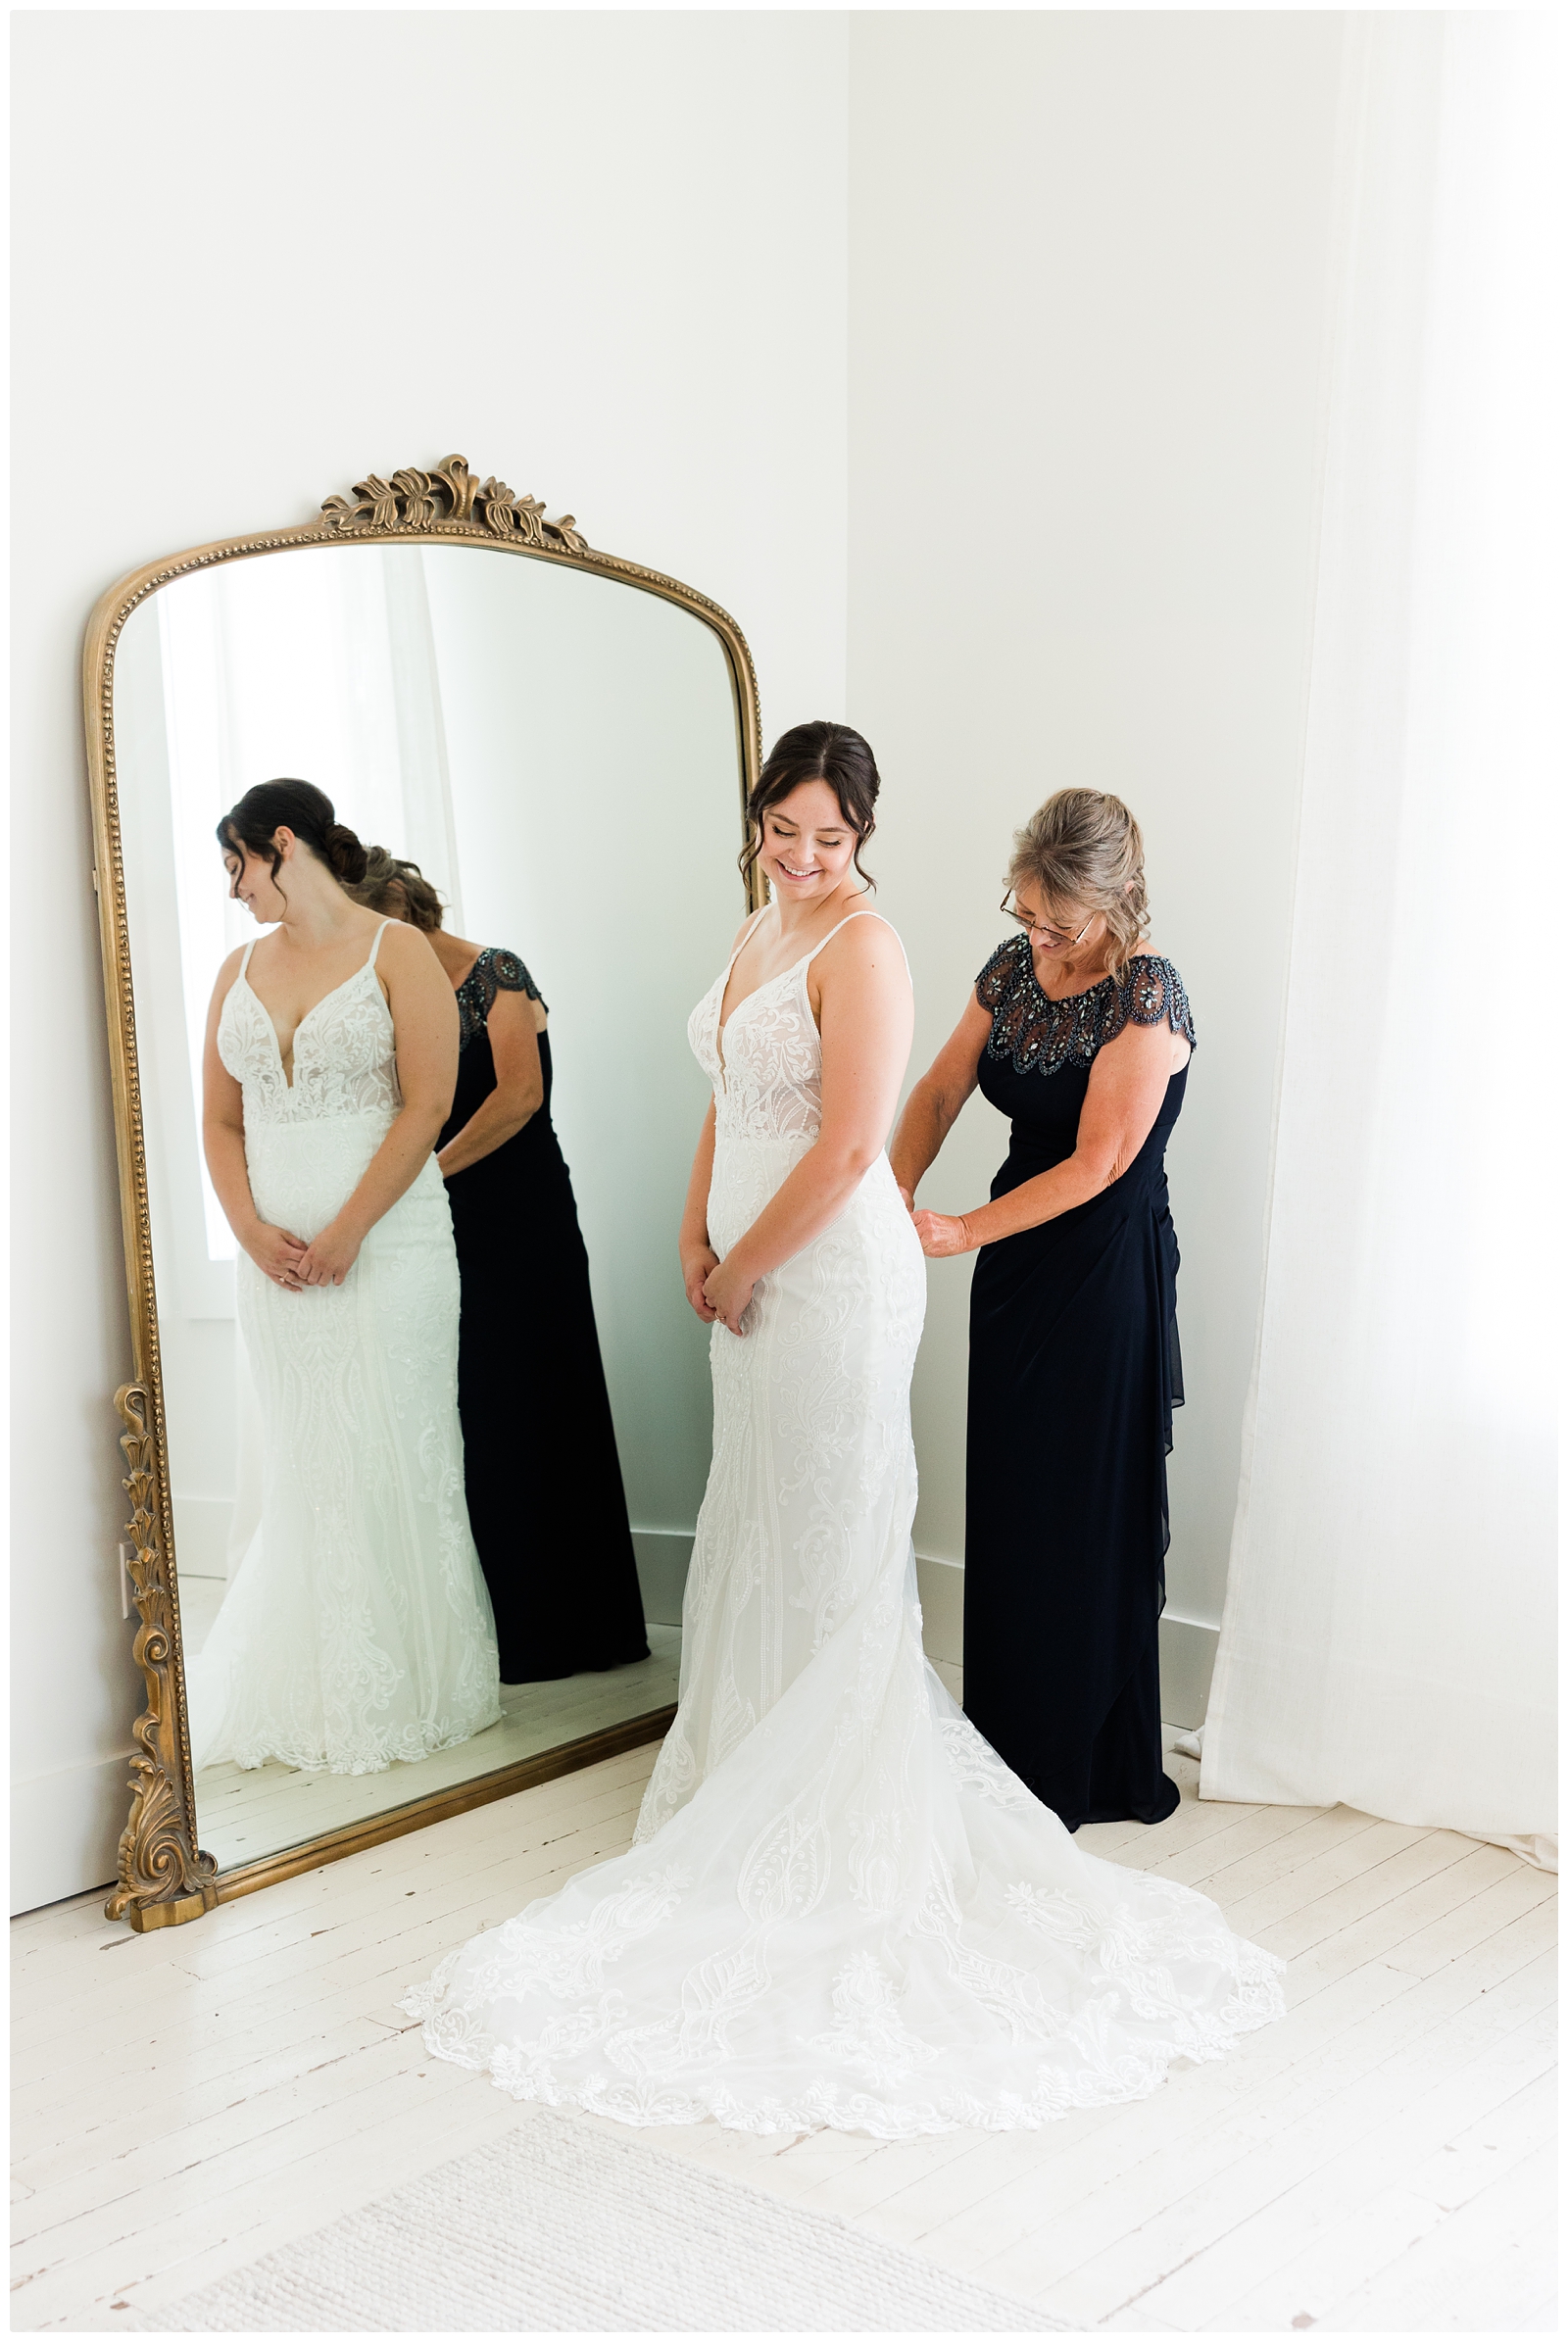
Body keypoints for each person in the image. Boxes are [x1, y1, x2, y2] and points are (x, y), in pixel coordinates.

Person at [404, 727, 1280, 2137]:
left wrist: (789, 1249)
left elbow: (891, 1142)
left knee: (847, 1528)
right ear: (759, 825)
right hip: (790, 1254)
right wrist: (698, 1226)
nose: (803, 856)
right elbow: (779, 1100)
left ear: (862, 834)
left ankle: (903, 1798)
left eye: (827, 836)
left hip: (914, 1269)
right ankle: (756, 1771)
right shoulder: (767, 928)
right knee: (766, 1516)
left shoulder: (893, 951)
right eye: (782, 830)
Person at [891, 789, 1193, 1830]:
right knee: (1014, 1498)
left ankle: (1083, 1762)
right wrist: (887, 1194)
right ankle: (1004, 1744)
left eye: (1059, 922)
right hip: (1015, 1274)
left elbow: (1104, 1160)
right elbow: (936, 1091)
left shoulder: (1146, 995)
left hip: (1101, 1275)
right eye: (1027, 912)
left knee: (1079, 1504)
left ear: (1113, 902)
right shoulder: (1008, 971)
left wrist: (962, 1228)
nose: (1039, 935)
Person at [186, 781, 501, 1776]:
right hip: (275, 1264)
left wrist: (350, 1229)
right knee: (307, 1458)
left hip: (391, 1246)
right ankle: (313, 1676)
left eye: (236, 862)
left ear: (282, 844)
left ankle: (419, 1678)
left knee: (391, 1452)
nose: (233, 888)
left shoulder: (393, 950)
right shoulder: (235, 969)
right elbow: (221, 1118)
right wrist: (249, 1229)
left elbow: (427, 1103)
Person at [349, 850, 649, 1683]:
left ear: (403, 909)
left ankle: (589, 1628)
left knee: (548, 1397)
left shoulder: (496, 972)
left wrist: (426, 1174)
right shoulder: (393, 998)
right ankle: (509, 1628)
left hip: (526, 1220)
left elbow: (518, 1096)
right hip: (442, 1232)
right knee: (478, 1412)